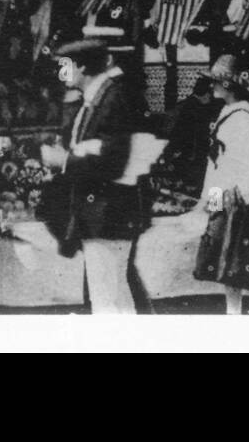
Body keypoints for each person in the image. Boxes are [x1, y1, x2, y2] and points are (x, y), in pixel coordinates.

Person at [51, 35, 147, 314]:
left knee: (106, 299)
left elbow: (112, 161)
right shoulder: (95, 98)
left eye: (64, 66)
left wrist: (64, 161)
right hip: (104, 213)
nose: (61, 72)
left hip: (106, 212)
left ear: (81, 67)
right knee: (115, 295)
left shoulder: (111, 99)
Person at [198, 54, 249, 314]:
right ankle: (233, 310)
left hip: (238, 198)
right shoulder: (228, 112)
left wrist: (238, 199)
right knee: (225, 261)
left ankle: (246, 309)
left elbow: (247, 165)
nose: (213, 86)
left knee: (236, 259)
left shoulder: (244, 119)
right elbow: (218, 164)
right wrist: (213, 199)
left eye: (218, 81)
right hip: (224, 193)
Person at [165, 75, 223, 189]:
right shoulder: (195, 108)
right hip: (191, 157)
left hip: (184, 155)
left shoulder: (186, 105)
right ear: (206, 94)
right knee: (196, 188)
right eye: (210, 94)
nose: (211, 98)